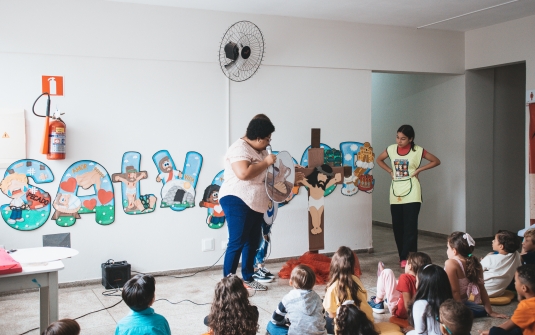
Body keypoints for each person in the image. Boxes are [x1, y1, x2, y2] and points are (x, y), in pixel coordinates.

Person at [218, 116, 276, 290]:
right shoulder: (238, 148)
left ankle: (248, 277)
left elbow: (266, 173)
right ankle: (228, 284)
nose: (268, 143)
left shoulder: (261, 151)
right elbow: (243, 173)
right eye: (267, 139)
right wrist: (266, 162)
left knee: (252, 240)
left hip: (255, 202)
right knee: (237, 241)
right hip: (237, 199)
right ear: (258, 138)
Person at [376, 125, 441, 268]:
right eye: (397, 137)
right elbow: (379, 160)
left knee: (410, 227)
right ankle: (402, 257)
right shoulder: (391, 149)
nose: (399, 141)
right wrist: (389, 171)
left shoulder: (418, 151)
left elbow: (436, 161)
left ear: (411, 139)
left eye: (403, 138)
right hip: (396, 191)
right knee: (398, 226)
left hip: (412, 192)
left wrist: (419, 170)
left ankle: (410, 258)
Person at [444, 232, 507, 319]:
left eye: (448, 248)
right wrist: (490, 311)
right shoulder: (477, 264)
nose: (447, 251)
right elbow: (482, 289)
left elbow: (455, 292)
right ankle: (464, 310)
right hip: (462, 302)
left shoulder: (451, 263)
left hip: (452, 303)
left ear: (454, 251)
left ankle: (460, 311)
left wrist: (459, 314)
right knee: (481, 310)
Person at [323, 246, 373, 334]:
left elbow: (331, 314)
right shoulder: (357, 280)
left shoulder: (332, 288)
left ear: (334, 265)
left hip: (344, 328)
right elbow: (364, 299)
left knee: (326, 317)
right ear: (352, 265)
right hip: (365, 323)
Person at [368, 252, 432, 319]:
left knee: (387, 273)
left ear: (410, 266)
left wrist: (410, 321)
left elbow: (407, 304)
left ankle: (378, 302)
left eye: (407, 263)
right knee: (396, 282)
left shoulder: (404, 278)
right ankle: (382, 279)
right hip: (417, 311)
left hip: (399, 311)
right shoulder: (426, 279)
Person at [267, 264, 326, 335]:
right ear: (313, 284)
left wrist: (286, 321)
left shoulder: (288, 299)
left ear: (290, 282)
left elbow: (276, 319)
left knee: (271, 325)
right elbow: (320, 316)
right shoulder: (317, 298)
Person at [480, 264, 535, 335]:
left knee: (496, 332)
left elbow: (506, 327)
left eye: (515, 281)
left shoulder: (527, 306)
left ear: (524, 288)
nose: (515, 283)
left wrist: (489, 332)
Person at [407, 264, 453, 335]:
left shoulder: (420, 304)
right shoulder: (451, 303)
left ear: (423, 284)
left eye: (416, 280)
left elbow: (420, 332)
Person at [480, 230, 522, 297]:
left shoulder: (490, 258)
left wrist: (484, 259)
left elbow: (476, 270)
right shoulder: (517, 255)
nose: (492, 241)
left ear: (501, 246)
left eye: (495, 240)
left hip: (481, 290)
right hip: (499, 291)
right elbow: (518, 270)